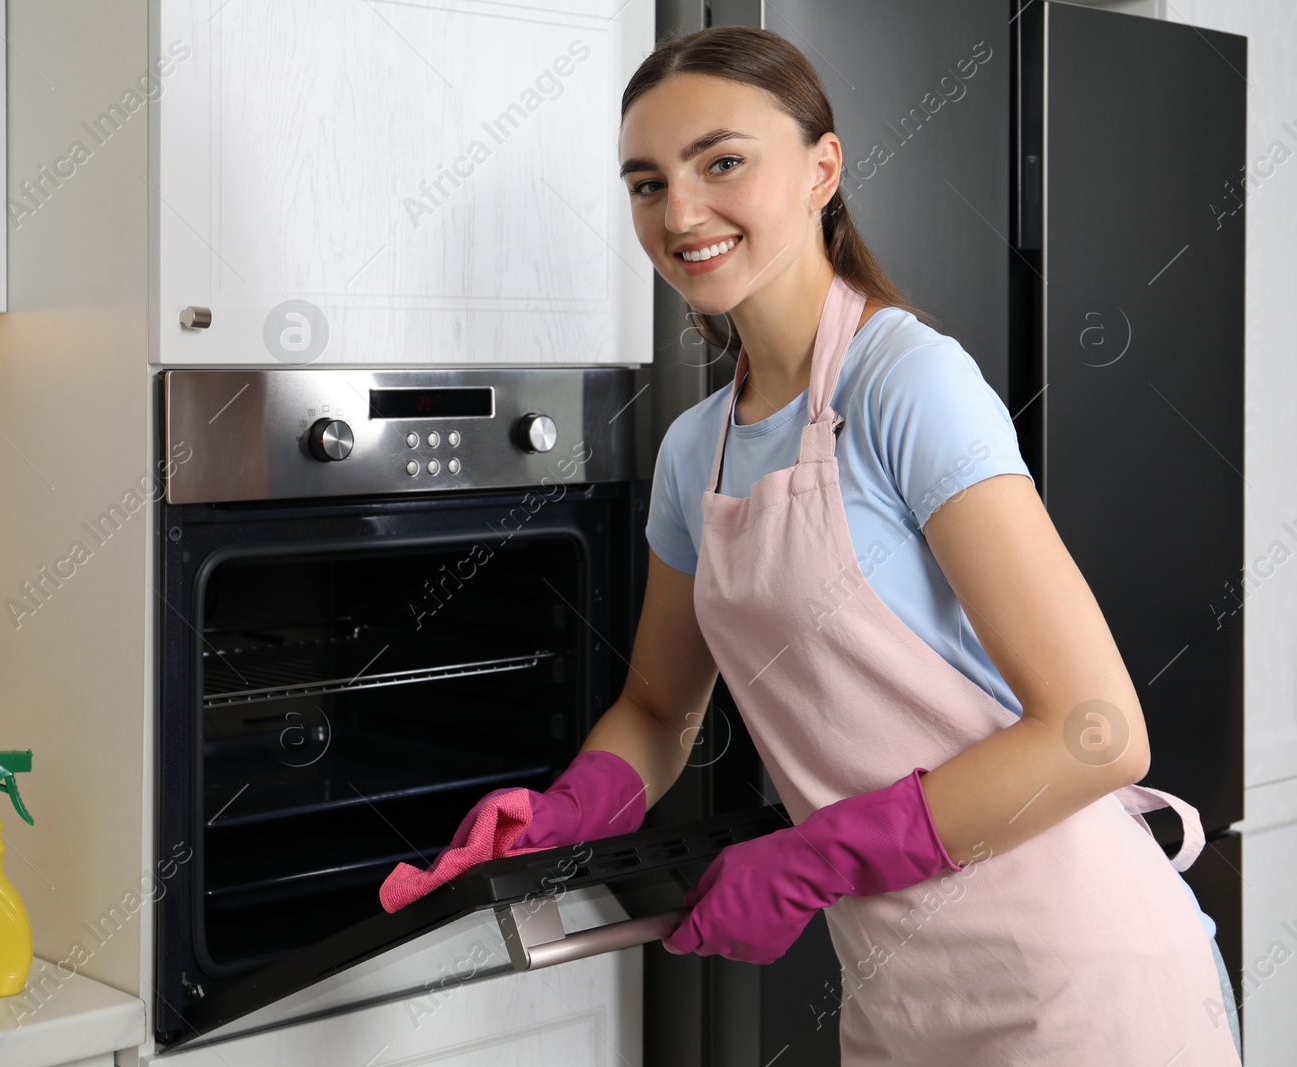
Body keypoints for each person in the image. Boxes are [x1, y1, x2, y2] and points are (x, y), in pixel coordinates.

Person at [380, 26, 1242, 1065]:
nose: (680, 212)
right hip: (901, 998)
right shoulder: (695, 450)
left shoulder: (904, 383)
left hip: (1079, 983)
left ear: (822, 167)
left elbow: (1097, 732)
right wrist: (560, 817)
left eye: (722, 163)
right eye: (646, 183)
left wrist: (808, 860)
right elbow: (659, 707)